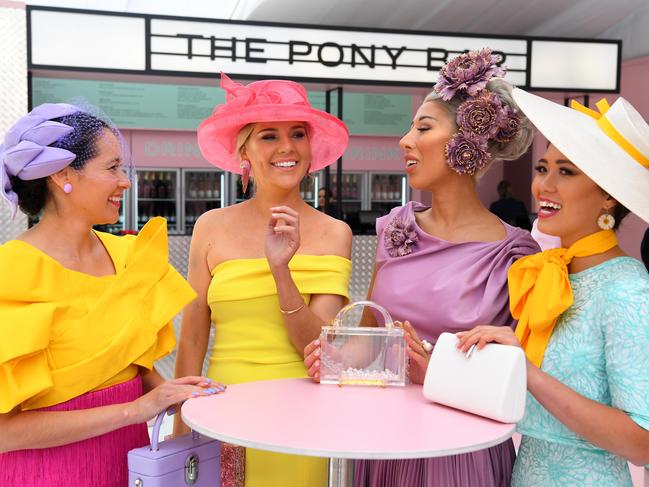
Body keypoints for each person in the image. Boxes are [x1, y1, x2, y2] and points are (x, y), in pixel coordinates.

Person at [304, 48, 540, 486]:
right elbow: (374, 335)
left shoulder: (517, 255)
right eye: (410, 127)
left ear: (467, 142)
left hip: (460, 451)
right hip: (383, 440)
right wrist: (335, 357)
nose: (404, 140)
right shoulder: (397, 228)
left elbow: (525, 375)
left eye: (423, 128)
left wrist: (435, 369)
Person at [0, 103, 223, 487]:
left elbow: (131, 368)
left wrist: (177, 394)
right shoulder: (11, 274)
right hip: (48, 473)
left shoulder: (128, 257)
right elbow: (6, 433)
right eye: (112, 167)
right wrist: (135, 410)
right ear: (63, 174)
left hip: (132, 465)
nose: (125, 181)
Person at [457, 90, 649, 485]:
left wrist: (528, 371)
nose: (544, 185)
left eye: (566, 171)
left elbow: (641, 443)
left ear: (609, 195)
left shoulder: (627, 289)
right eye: (543, 168)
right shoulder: (554, 273)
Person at [173, 74, 353, 487]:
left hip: (301, 419)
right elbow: (193, 336)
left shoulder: (333, 232)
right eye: (268, 136)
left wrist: (281, 271)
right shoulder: (210, 227)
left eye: (297, 134)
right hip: (221, 409)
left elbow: (319, 348)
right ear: (245, 153)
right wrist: (182, 424)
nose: (287, 147)